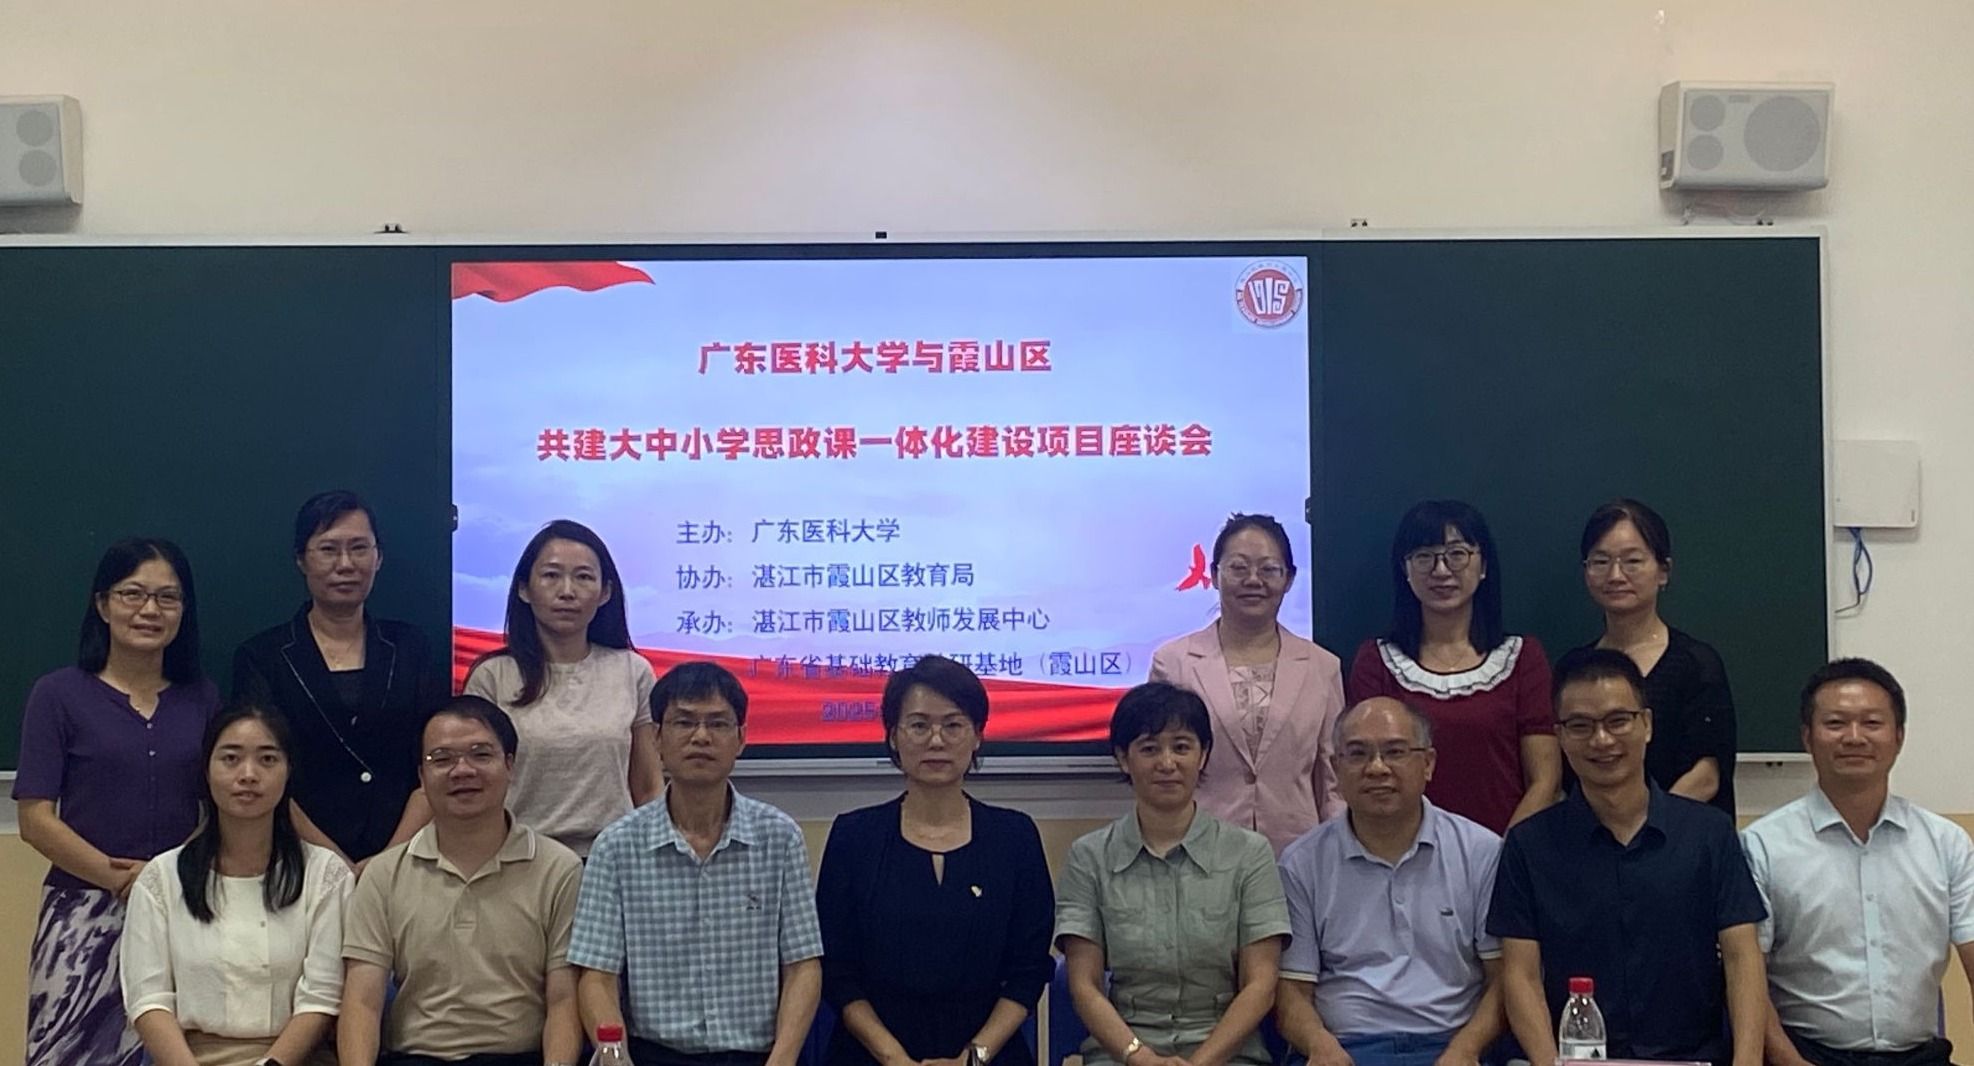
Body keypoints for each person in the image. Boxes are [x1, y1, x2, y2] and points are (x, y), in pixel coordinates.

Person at [1489, 648, 1766, 1066]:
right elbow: (1520, 975)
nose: (1601, 740)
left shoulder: (1710, 835)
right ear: (1559, 736)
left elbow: (1742, 957)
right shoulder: (1529, 846)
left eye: (1618, 720)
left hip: (1691, 1058)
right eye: (1580, 726)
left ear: (1647, 724)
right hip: (1571, 1059)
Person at [13, 537, 220, 1066]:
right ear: (103, 605)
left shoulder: (203, 699)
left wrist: (165, 879)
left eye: (167, 597)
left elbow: (217, 810)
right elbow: (35, 818)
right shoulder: (57, 695)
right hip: (79, 915)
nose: (150, 610)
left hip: (180, 908)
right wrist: (122, 879)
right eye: (132, 593)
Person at [571, 661, 823, 1066]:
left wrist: (782, 1059)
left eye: (718, 724)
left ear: (741, 738)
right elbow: (597, 976)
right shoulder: (616, 846)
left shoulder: (780, 838)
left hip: (756, 1057)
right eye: (684, 722)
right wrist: (616, 1056)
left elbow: (802, 967)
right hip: (652, 1056)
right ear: (657, 738)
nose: (701, 737)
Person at [816, 655, 1055, 1066]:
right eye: (919, 725)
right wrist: (895, 1059)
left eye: (953, 725)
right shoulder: (853, 837)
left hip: (989, 1056)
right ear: (893, 736)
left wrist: (973, 1058)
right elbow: (838, 972)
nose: (937, 740)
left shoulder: (1015, 837)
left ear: (978, 735)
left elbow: (1028, 970)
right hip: (871, 1055)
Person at [1742, 659, 1973, 1066]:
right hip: (1807, 1055)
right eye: (1835, 723)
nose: (1854, 737)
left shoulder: (1946, 843)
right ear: (1807, 737)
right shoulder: (1762, 845)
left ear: (1899, 737)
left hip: (1921, 1058)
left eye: (1872, 723)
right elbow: (1747, 980)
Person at [339, 696, 585, 1066]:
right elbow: (362, 1001)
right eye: (442, 759)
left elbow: (564, 1000)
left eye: (480, 755)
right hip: (416, 1058)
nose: (462, 770)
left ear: (510, 765)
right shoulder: (384, 874)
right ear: (421, 777)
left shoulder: (559, 869)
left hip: (521, 1058)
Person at [1055, 682, 1289, 1066]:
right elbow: (1084, 985)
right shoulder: (1089, 857)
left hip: (1227, 1054)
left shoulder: (1249, 854)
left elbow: (1261, 985)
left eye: (1181, 747)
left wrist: (1199, 1063)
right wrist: (1141, 1058)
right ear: (1123, 758)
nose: (1167, 763)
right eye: (1149, 749)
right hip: (1123, 1053)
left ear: (1203, 755)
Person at [120, 703, 351, 1066]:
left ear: (289, 772)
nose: (248, 774)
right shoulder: (161, 877)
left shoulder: (325, 875)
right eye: (230, 759)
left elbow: (321, 997)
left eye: (267, 759)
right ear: (206, 771)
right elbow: (148, 999)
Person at [1276, 697, 1504, 1066]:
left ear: (1428, 763)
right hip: (1346, 1048)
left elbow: (1505, 979)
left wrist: (1466, 1050)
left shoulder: (1481, 852)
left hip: (1452, 1046)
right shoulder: (1301, 863)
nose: (1377, 768)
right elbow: (1292, 991)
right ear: (1335, 768)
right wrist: (1320, 1046)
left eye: (1395, 752)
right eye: (1358, 754)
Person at [233, 491, 448, 867]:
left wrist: (386, 861)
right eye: (329, 549)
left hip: (406, 857)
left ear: (379, 557)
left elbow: (434, 759)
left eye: (359, 548)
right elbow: (262, 770)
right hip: (297, 861)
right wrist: (333, 865)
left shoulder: (411, 647)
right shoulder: (263, 657)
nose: (345, 564)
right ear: (301, 559)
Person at [1346, 500, 1559, 834]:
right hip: (1401, 851)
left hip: (1506, 851)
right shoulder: (1377, 661)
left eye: (1457, 554)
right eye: (1424, 557)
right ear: (1405, 569)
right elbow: (1367, 772)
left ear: (1483, 564)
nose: (1441, 570)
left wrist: (1502, 854)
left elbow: (1545, 780)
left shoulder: (1523, 658)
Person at [1150, 513, 1347, 854]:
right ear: (1214, 575)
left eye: (1269, 569)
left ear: (1289, 579)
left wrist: (1335, 853)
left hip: (1298, 853)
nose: (1253, 580)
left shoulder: (1322, 667)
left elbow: (1333, 779)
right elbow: (1157, 769)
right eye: (1238, 568)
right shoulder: (1173, 663)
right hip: (1199, 850)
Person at [463, 519, 661, 857]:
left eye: (584, 577)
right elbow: (475, 782)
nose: (567, 591)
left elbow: (647, 786)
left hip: (612, 859)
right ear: (524, 589)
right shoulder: (492, 677)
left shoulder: (632, 671)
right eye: (551, 575)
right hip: (519, 859)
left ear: (605, 592)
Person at [1571, 498, 1737, 815]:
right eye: (1600, 561)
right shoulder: (1576, 669)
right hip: (1596, 834)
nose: (1615, 575)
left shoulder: (1697, 664)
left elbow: (1706, 776)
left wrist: (1644, 828)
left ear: (1663, 571)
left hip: (1679, 832)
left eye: (1632, 561)